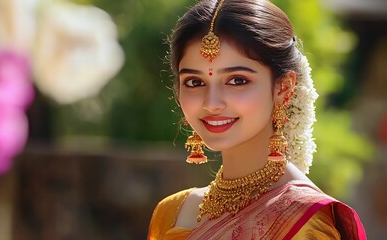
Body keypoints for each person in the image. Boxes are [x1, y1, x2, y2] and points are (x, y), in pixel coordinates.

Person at [148, 0, 366, 239]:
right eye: (195, 82)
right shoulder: (171, 213)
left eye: (237, 80)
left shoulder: (303, 220)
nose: (212, 102)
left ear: (283, 87)